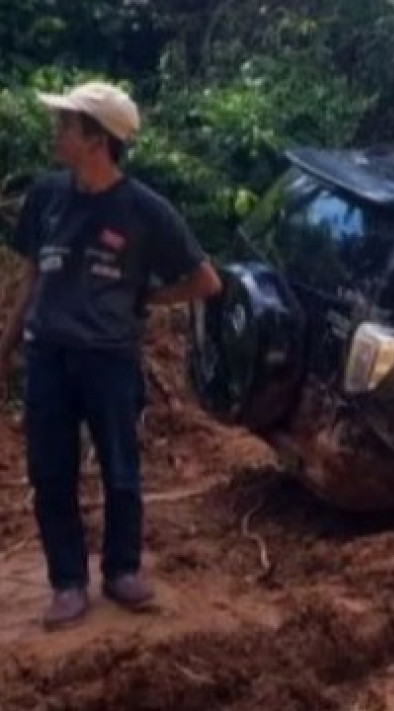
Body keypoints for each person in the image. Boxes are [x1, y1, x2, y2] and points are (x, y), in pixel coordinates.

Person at [1, 82, 223, 630]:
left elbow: (206, 280)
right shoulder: (47, 196)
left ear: (97, 139)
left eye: (68, 126)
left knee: (121, 470)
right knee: (51, 473)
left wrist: (148, 298)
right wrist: (4, 346)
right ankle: (67, 583)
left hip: (110, 361)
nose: (57, 134)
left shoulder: (146, 211)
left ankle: (121, 571)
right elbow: (28, 278)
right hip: (49, 357)